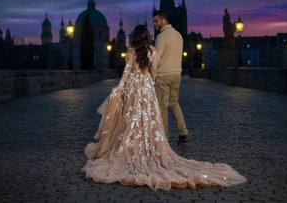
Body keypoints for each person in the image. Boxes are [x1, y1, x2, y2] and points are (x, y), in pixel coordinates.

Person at [82, 25, 246, 190]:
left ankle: (131, 147)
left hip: (133, 87)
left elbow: (127, 71)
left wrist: (120, 86)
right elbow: (154, 72)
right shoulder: (153, 50)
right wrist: (150, 85)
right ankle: (148, 147)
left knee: (131, 119)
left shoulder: (131, 50)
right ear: (147, 37)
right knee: (149, 119)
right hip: (147, 87)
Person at [153, 11, 188, 144]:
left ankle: (164, 139)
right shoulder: (179, 35)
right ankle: (183, 132)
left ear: (163, 20)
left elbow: (156, 59)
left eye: (156, 21)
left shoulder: (161, 37)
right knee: (174, 103)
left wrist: (153, 76)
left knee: (162, 107)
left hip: (163, 75)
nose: (155, 24)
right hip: (177, 75)